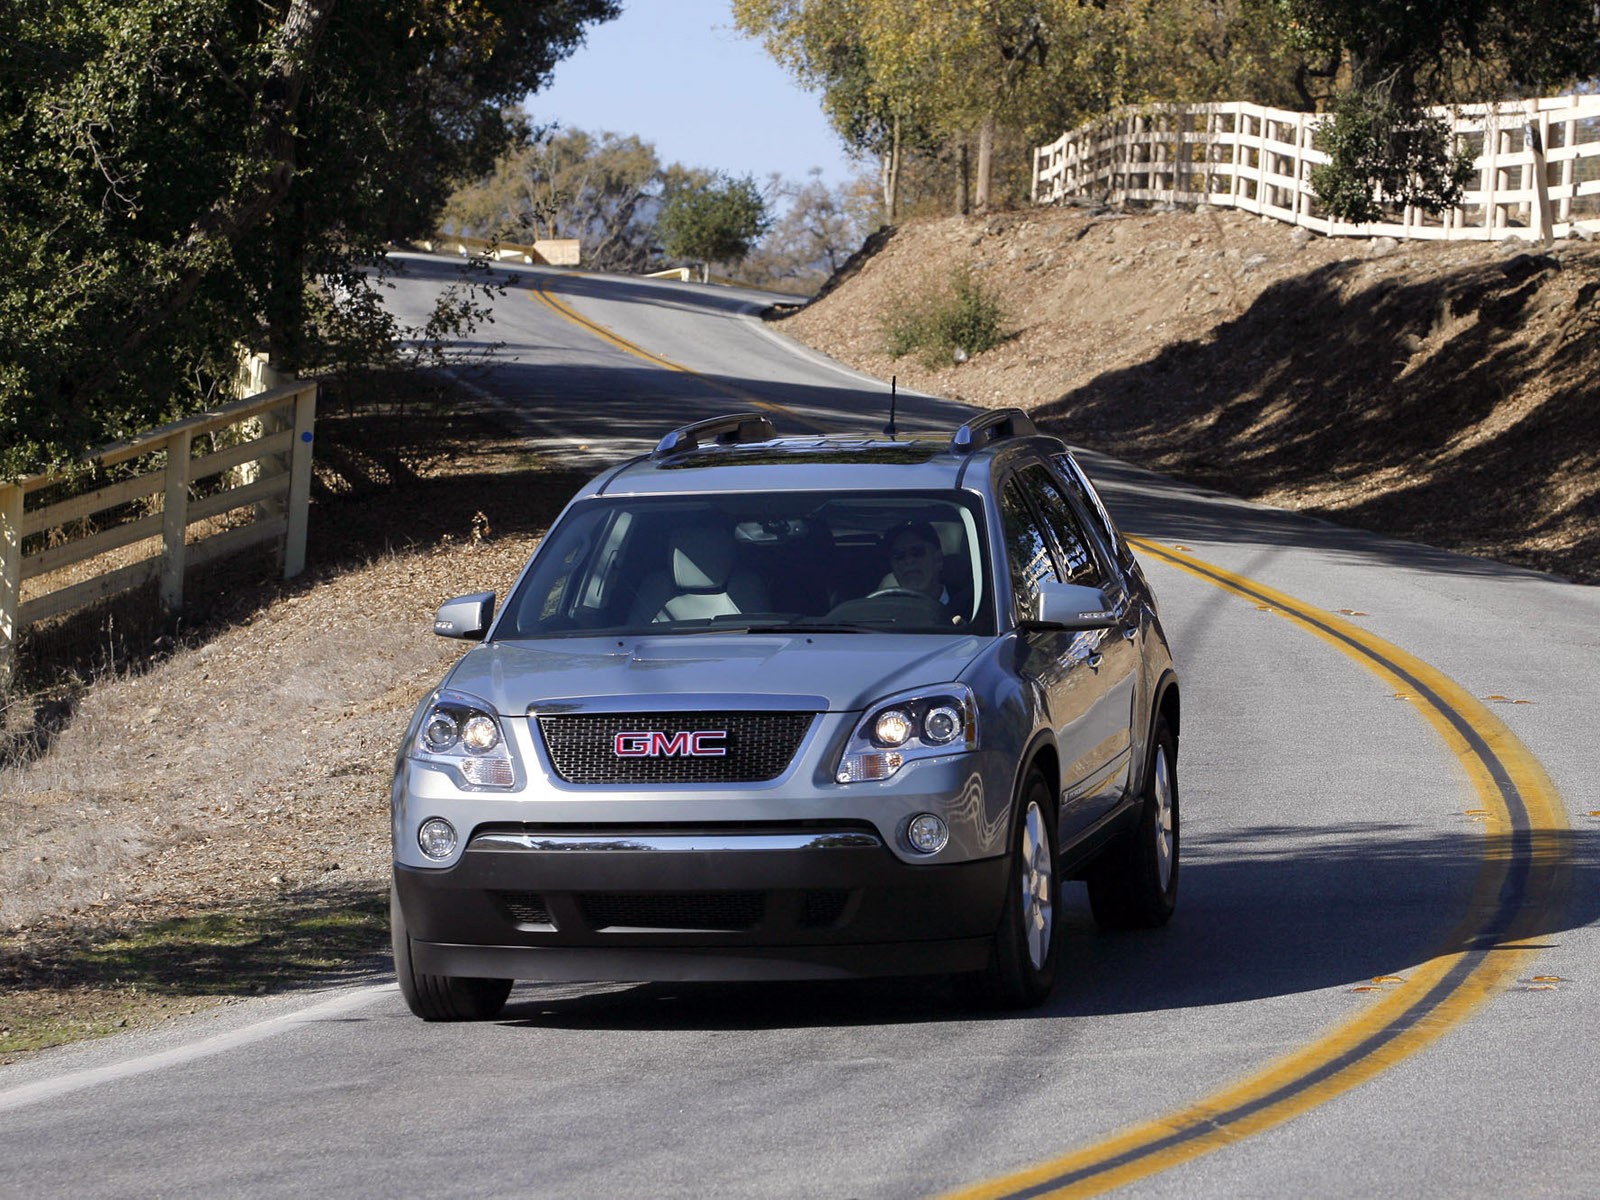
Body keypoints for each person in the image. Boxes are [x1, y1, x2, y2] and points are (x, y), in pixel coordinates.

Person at [881, 521, 949, 605]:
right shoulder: (884, 612)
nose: (909, 561)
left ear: (938, 560)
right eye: (899, 556)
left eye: (917, 552)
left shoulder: (966, 608)